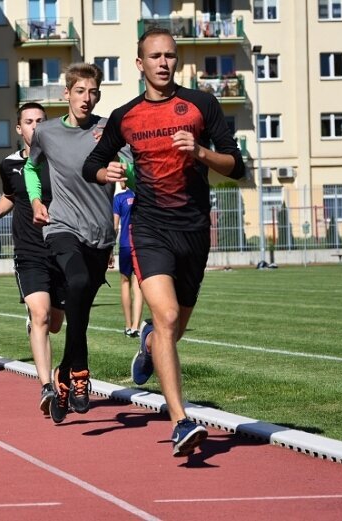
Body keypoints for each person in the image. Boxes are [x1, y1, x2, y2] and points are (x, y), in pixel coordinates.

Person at [82, 28, 246, 457]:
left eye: (170, 56)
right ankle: (181, 421)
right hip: (150, 228)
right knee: (167, 316)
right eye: (154, 56)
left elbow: (237, 167)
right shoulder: (125, 115)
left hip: (193, 231)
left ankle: (150, 344)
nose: (163, 63)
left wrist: (201, 153)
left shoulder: (201, 105)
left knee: (173, 330)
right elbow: (92, 164)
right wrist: (107, 174)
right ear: (140, 64)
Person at [24, 63, 115, 424]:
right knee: (75, 282)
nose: (86, 99)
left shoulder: (109, 130)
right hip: (61, 226)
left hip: (99, 234)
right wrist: (35, 200)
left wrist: (124, 172)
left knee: (81, 312)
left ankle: (64, 370)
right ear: (67, 94)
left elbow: (132, 167)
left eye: (93, 92)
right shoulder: (46, 132)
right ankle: (80, 372)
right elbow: (31, 168)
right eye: (80, 91)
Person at [0, 102, 66, 415]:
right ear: (19, 129)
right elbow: (10, 195)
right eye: (29, 122)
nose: (35, 126)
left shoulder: (59, 160)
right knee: (40, 315)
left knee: (55, 323)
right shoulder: (8, 165)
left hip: (61, 247)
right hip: (28, 251)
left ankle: (53, 364)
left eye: (40, 121)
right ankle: (46, 385)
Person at [113, 179, 143, 338]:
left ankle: (127, 325)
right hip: (140, 245)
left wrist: (110, 248)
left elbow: (114, 226)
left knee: (125, 283)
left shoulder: (119, 198)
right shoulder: (143, 196)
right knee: (138, 285)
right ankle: (135, 326)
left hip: (125, 245)